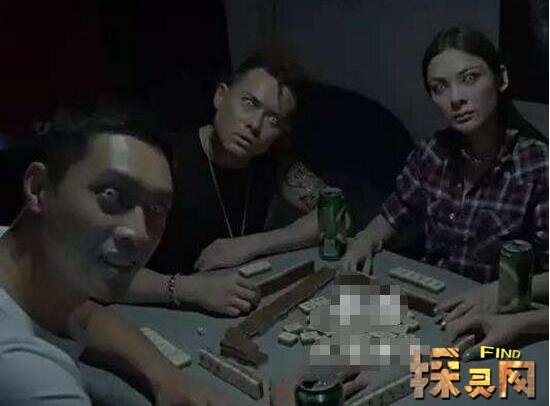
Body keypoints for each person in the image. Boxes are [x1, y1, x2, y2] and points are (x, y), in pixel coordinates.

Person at [0, 104, 224, 405]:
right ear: (39, 188)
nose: (140, 233)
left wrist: (168, 378)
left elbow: (86, 315)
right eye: (112, 195)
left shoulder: (31, 268)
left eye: (156, 208)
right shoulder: (24, 372)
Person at [110, 50, 328, 316]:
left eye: (273, 119)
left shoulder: (270, 162)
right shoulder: (164, 162)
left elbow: (336, 213)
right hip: (155, 309)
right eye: (249, 103)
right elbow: (103, 273)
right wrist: (191, 289)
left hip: (232, 306)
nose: (254, 125)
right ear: (221, 96)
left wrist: (252, 244)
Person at [343, 27, 548, 284]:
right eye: (440, 88)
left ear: (501, 78)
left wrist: (497, 293)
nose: (455, 99)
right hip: (433, 294)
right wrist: (364, 241)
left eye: (469, 78)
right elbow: (394, 213)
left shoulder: (537, 165)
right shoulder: (431, 154)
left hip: (500, 304)